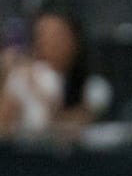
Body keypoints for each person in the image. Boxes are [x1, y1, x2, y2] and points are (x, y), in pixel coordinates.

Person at [0, 7, 111, 141]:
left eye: (57, 35)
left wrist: (39, 95)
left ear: (74, 39)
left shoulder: (94, 87)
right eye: (42, 35)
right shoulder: (21, 77)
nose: (49, 42)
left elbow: (75, 128)